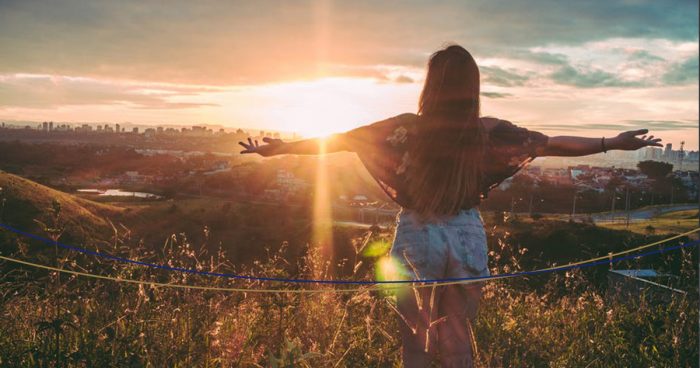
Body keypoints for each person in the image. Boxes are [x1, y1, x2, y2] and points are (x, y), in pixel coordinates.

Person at [238, 44, 662, 368]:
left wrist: (278, 150)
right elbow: (551, 144)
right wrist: (610, 142)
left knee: (416, 336)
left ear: (431, 85)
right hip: (465, 233)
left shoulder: (405, 128)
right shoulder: (488, 131)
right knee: (457, 333)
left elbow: (339, 140)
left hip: (418, 233)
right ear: (472, 87)